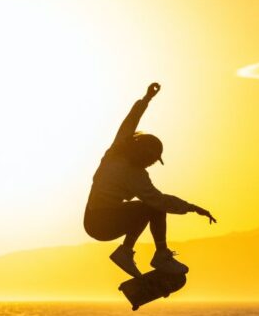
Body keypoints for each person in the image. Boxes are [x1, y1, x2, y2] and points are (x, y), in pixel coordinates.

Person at [84, 82, 217, 278]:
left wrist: (147, 99)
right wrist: (191, 207)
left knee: (147, 207)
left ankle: (131, 252)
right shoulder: (134, 175)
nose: (150, 164)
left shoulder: (116, 151)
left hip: (92, 218)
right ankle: (149, 254)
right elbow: (159, 201)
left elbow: (130, 121)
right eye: (151, 160)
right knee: (151, 207)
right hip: (102, 224)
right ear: (144, 154)